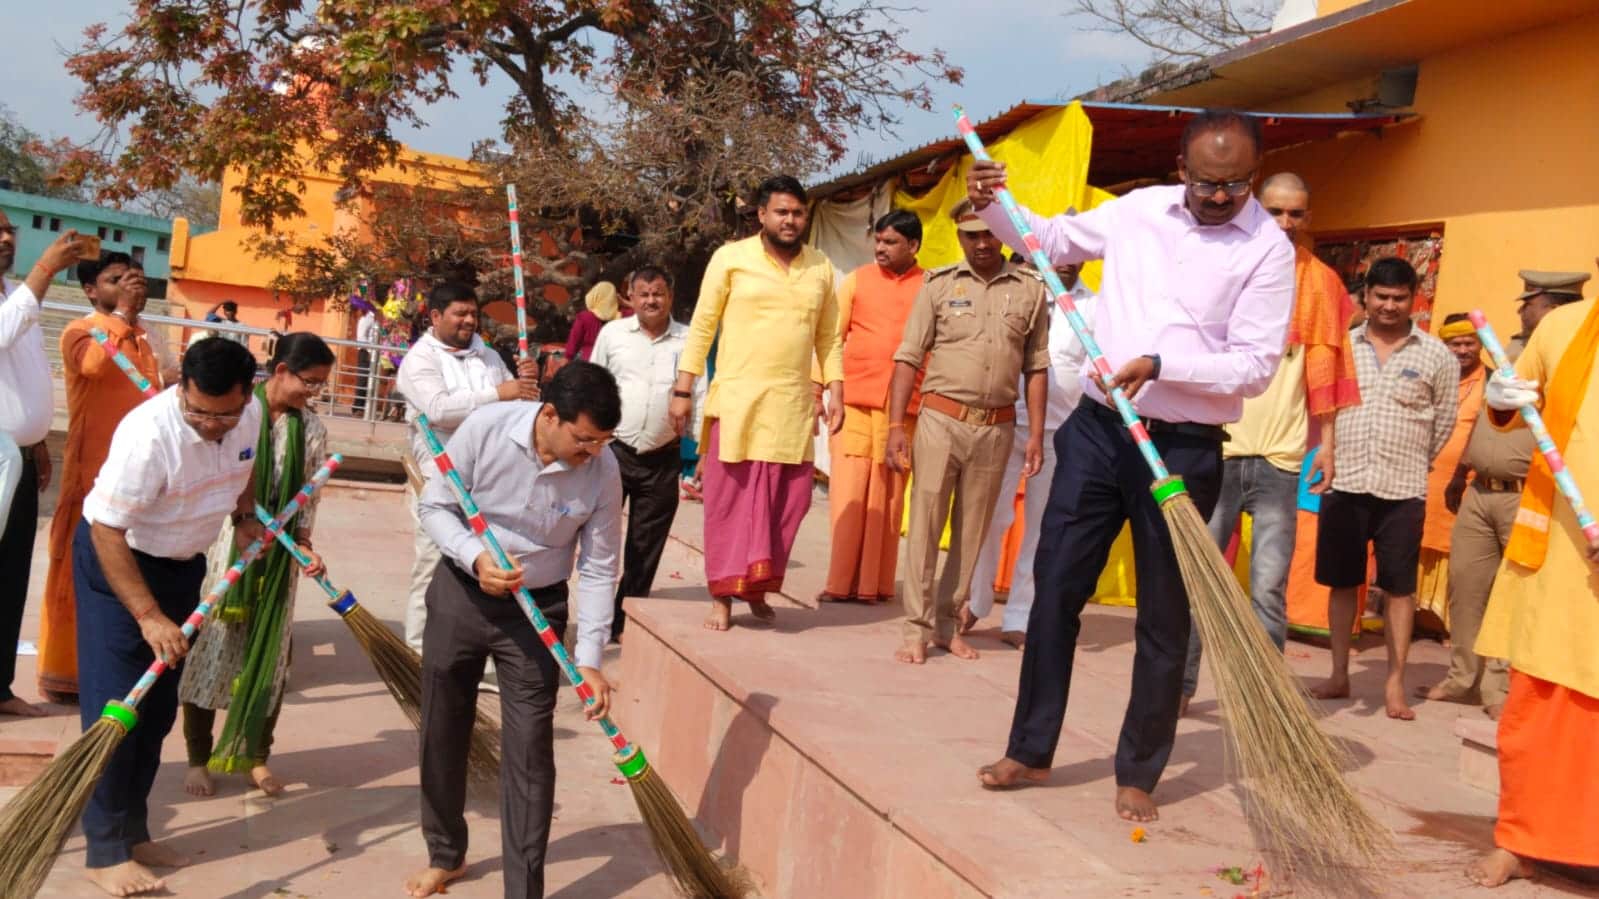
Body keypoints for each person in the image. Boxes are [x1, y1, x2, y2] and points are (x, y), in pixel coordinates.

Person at [966, 110, 1295, 823]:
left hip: (1180, 447)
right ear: (1181, 169)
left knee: (1164, 612)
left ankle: (1138, 768)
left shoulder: (1268, 250)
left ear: (1253, 177)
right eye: (1206, 183)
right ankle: (1030, 746)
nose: (1218, 197)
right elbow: (1046, 237)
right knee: (1053, 585)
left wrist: (1162, 365)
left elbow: (1255, 363)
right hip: (1096, 428)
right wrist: (992, 201)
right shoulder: (1138, 211)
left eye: (1234, 185)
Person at [407, 361, 621, 899]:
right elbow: (435, 505)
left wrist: (590, 657)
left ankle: (523, 890)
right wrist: (476, 556)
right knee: (442, 729)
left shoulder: (604, 468)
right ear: (549, 415)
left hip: (537, 614)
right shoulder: (486, 428)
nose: (591, 452)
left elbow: (597, 566)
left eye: (601, 441)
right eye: (583, 439)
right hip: (461, 591)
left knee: (529, 752)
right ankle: (445, 853)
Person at [75, 336, 263, 897]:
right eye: (198, 412)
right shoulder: (148, 434)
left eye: (222, 414)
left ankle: (134, 831)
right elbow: (106, 530)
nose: (210, 425)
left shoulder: (247, 415)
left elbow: (245, 465)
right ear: (182, 388)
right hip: (122, 569)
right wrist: (148, 615)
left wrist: (246, 514)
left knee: (157, 712)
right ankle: (103, 850)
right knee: (118, 709)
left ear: (244, 396)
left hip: (184, 565)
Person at [1180, 172, 1361, 714]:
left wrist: (1326, 447)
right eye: (1276, 211)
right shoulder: (1226, 267)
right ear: (1256, 208)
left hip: (1282, 460)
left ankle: (1262, 701)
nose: (1285, 223)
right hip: (1218, 450)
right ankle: (1179, 689)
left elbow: (1326, 371)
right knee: (1199, 577)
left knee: (1267, 589)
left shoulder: (1324, 283)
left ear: (1309, 217)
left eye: (1296, 214)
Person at [1466, 286, 1599, 889]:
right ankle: (1519, 841)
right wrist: (1501, 397)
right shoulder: (1564, 326)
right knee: (1539, 706)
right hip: (1563, 558)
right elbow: (1513, 402)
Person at [670, 175, 844, 631]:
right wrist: (683, 390)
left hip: (791, 403)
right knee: (730, 501)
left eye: (798, 213)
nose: (790, 220)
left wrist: (835, 389)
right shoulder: (731, 259)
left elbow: (828, 337)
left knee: (790, 500)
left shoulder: (820, 267)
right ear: (762, 215)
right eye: (781, 212)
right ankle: (723, 596)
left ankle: (757, 588)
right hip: (739, 400)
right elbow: (703, 325)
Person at [885, 200, 1051, 664]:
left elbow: (1037, 368)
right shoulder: (938, 285)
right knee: (926, 525)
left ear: (1002, 234)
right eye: (971, 235)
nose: (982, 243)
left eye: (989, 233)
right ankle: (915, 628)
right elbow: (908, 358)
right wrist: (897, 424)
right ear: (959, 237)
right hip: (940, 420)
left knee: (971, 532)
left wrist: (1035, 434)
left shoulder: (1029, 291)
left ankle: (946, 623)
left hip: (996, 427)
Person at [1418, 271, 1587, 714]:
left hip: (1527, 496)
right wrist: (1461, 472)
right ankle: (1462, 678)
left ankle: (1499, 691)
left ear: (1548, 304)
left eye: (1526, 302)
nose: (1519, 310)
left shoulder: (1572, 354)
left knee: (1513, 594)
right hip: (1478, 492)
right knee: (1466, 587)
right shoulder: (1510, 351)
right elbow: (1485, 420)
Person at [179, 333, 333, 798]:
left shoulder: (312, 428)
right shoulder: (238, 413)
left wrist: (303, 541)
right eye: (310, 381)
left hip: (278, 553)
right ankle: (197, 758)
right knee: (212, 652)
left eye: (321, 385)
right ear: (281, 371)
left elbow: (310, 489)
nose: (314, 392)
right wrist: (240, 517)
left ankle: (256, 756)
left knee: (269, 656)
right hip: (226, 544)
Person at [1310, 257, 1457, 721]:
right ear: (1366, 296)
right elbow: (1324, 406)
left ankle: (1394, 684)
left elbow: (1446, 420)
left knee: (1398, 588)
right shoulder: (1340, 348)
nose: (1389, 306)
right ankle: (1338, 673)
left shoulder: (1436, 355)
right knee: (1341, 581)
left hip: (1403, 488)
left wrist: (1417, 461)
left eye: (1399, 298)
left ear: (1413, 298)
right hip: (1346, 479)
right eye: (1381, 297)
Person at [38, 253, 165, 704]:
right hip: (92, 474)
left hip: (140, 475)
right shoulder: (83, 329)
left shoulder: (143, 337)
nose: (129, 286)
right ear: (92, 290)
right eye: (116, 280)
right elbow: (93, 366)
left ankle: (120, 664)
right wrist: (121, 315)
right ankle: (65, 672)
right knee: (79, 572)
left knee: (133, 572)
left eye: (134, 279)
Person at [395, 282, 540, 655]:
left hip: (487, 477)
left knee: (482, 563)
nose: (468, 321)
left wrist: (525, 384)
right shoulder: (420, 359)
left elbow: (516, 407)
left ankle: (472, 651)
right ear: (436, 316)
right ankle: (418, 652)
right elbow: (439, 411)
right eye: (460, 313)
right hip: (438, 477)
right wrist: (499, 394)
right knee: (432, 561)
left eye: (473, 314)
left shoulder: (488, 356)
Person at [964, 256, 1095, 649]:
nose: (1066, 266)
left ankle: (1021, 616)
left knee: (1042, 527)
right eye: (1058, 259)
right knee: (989, 516)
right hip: (1006, 421)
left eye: (1075, 259)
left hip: (1062, 433)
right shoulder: (1020, 295)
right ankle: (974, 600)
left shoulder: (1095, 308)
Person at [588, 266, 704, 640]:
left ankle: (624, 622)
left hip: (662, 457)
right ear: (630, 298)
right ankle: (596, 618)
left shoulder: (689, 341)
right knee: (599, 539)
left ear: (670, 296)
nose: (651, 300)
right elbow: (594, 384)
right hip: (612, 452)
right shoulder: (613, 334)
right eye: (643, 293)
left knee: (645, 547)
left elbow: (700, 396)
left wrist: (702, 450)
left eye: (658, 293)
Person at [819, 210, 926, 605]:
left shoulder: (930, 286)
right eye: (878, 241)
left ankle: (875, 585)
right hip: (854, 404)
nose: (880, 249)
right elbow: (830, 337)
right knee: (848, 491)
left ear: (913, 246)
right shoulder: (857, 280)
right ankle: (839, 581)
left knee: (891, 495)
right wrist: (822, 389)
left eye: (890, 242)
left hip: (905, 409)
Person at [0, 216, 84, 717]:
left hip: (19, 456)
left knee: (10, 576)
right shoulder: (24, 296)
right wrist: (45, 271)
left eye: (9, 229)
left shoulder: (15, 293)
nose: (6, 238)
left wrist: (36, 441)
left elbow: (21, 373)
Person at [1413, 312, 1487, 632]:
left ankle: (1447, 624)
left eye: (1468, 343)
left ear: (1480, 344)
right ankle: (1413, 619)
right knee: (1416, 540)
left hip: (1463, 481)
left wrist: (1461, 473)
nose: (1462, 350)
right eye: (1454, 344)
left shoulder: (1493, 380)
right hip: (1423, 474)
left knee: (1455, 548)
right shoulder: (1433, 376)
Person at [564, 281, 621, 362]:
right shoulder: (622, 317)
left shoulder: (584, 317)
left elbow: (573, 344)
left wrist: (568, 358)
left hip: (587, 362)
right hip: (613, 362)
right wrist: (624, 302)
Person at [354, 303, 379, 416]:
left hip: (372, 352)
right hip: (366, 352)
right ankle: (358, 407)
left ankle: (364, 407)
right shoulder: (366, 319)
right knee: (363, 379)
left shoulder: (374, 318)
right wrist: (370, 350)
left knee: (370, 379)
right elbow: (361, 337)